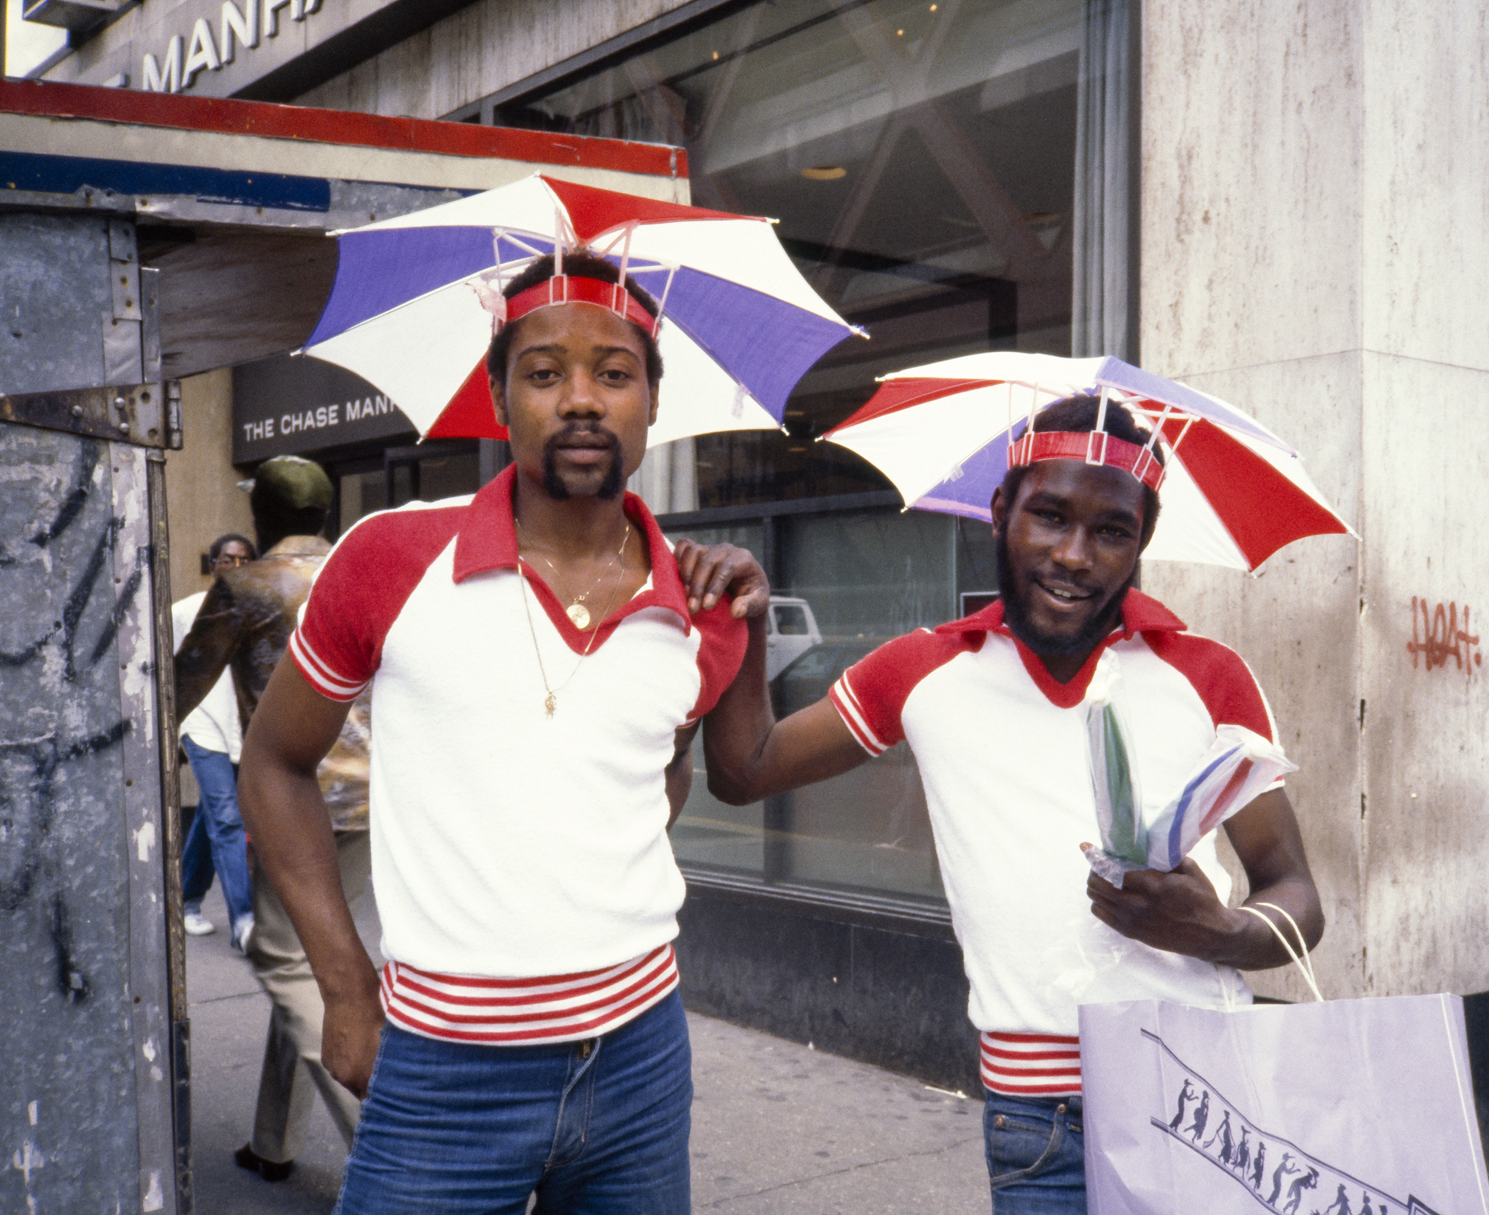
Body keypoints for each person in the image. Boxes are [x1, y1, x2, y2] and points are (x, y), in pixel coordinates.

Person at [697, 394, 1324, 1214]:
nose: (1074, 555)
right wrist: (740, 618)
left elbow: (1296, 893)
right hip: (1040, 1119)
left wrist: (1218, 930)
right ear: (1001, 511)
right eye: (1050, 517)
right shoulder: (923, 670)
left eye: (1111, 531)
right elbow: (746, 769)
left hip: (1203, 1092)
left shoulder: (1208, 675)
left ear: (1143, 539)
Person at [236, 251, 765, 1213]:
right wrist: (348, 990)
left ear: (652, 397)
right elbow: (274, 763)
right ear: (496, 392)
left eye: (613, 372)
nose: (581, 400)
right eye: (544, 371)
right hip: (443, 1068)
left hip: (640, 1060)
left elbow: (662, 777)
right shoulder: (392, 557)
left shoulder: (697, 601)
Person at [175, 456, 374, 1184]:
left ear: (261, 518)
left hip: (295, 803)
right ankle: (273, 1140)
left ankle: (392, 1145)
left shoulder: (247, 584)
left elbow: (181, 682)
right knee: (314, 964)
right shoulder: (364, 570)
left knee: (289, 963)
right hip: (377, 800)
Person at [174, 532, 257, 944]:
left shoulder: (259, 613)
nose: (236, 568)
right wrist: (171, 731)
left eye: (244, 561)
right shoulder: (184, 611)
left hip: (243, 728)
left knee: (214, 814)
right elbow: (167, 676)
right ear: (213, 566)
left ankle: (186, 899)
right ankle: (244, 920)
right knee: (227, 817)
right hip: (202, 724)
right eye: (228, 560)